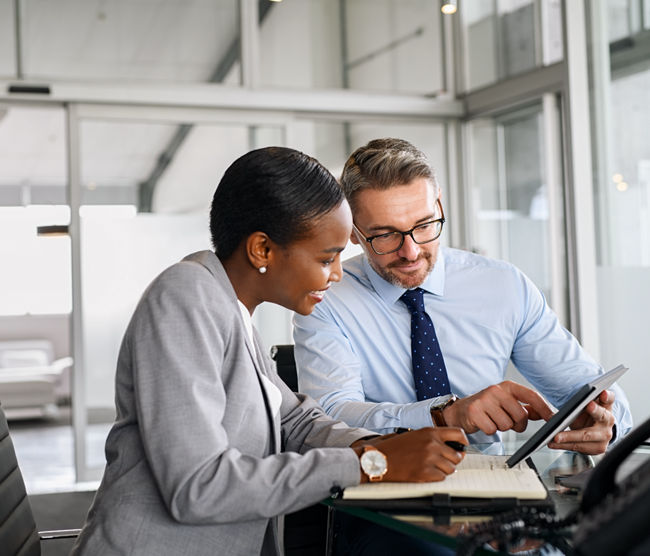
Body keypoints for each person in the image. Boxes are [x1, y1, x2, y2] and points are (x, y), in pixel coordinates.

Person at [71, 146, 468, 556]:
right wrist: (371, 464)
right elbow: (198, 486)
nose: (336, 274)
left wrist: (379, 446)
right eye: (326, 257)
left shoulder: (231, 308)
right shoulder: (186, 297)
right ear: (262, 249)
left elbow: (295, 420)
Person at [293, 138, 633, 453]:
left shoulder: (503, 285)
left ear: (439, 204)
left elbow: (589, 387)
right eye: (385, 235)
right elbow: (331, 419)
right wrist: (444, 416)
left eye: (425, 225)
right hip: (382, 496)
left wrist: (606, 421)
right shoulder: (326, 298)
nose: (411, 252)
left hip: (498, 491)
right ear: (353, 231)